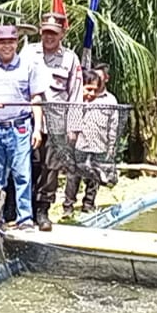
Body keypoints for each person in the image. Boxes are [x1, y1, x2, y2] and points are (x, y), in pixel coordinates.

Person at [0, 25, 45, 230]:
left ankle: (25, 219)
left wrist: (37, 128)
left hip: (20, 127)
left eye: (10, 42)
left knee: (22, 174)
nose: (6, 46)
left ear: (16, 43)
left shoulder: (28, 65)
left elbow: (36, 98)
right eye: (2, 42)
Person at [20, 13, 83, 231]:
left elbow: (75, 94)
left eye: (54, 33)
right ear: (40, 31)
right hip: (28, 119)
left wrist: (73, 127)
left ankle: (43, 210)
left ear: (62, 34)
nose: (49, 37)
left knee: (51, 168)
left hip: (57, 121)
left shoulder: (70, 58)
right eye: (46, 32)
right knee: (27, 166)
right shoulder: (28, 53)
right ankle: (22, 210)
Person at [64, 69, 119, 216]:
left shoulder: (110, 100)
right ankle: (68, 207)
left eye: (94, 90)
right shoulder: (77, 100)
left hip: (99, 146)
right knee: (73, 177)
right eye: (88, 89)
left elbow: (113, 126)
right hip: (79, 146)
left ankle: (88, 205)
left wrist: (111, 147)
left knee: (94, 178)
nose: (91, 93)